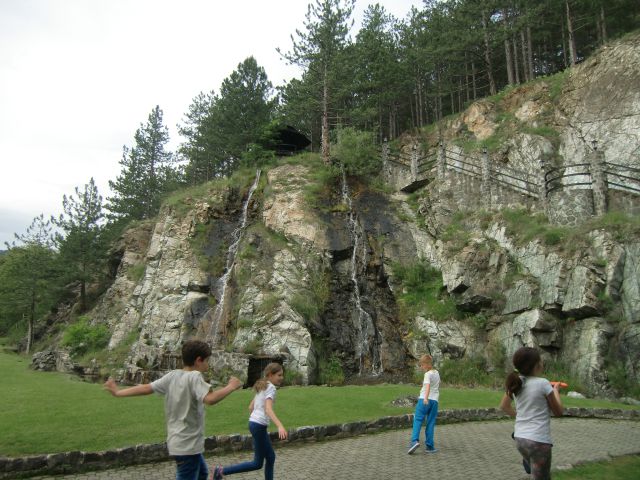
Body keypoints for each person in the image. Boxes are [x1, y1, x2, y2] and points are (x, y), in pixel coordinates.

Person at [103, 340, 242, 480]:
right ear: (198, 360)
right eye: (207, 360)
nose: (208, 364)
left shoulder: (172, 375)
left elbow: (146, 388)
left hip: (180, 442)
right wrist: (231, 386)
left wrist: (118, 392)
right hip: (188, 445)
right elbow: (210, 399)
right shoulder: (195, 377)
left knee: (202, 474)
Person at [211, 362, 288, 480]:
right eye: (279, 375)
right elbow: (268, 409)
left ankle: (220, 471)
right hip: (258, 426)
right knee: (262, 461)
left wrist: (255, 421)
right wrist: (280, 426)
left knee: (265, 460)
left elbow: (250, 407)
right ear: (270, 375)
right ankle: (220, 471)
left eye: (282, 375)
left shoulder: (262, 386)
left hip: (254, 424)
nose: (281, 378)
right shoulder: (271, 388)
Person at [499, 346, 564, 480]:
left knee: (540, 472)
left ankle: (529, 462)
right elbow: (558, 412)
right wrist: (556, 390)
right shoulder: (543, 384)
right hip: (539, 442)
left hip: (520, 439)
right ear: (536, 365)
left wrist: (521, 417)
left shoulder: (516, 382)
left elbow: (504, 406)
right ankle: (532, 463)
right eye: (540, 360)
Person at [407, 354, 440, 454]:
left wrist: (425, 398)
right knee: (430, 422)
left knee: (418, 419)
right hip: (435, 401)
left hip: (425, 400)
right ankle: (430, 446)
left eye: (422, 365)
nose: (421, 367)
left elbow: (428, 386)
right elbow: (436, 386)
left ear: (426, 364)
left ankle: (414, 441)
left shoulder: (427, 374)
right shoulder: (437, 373)